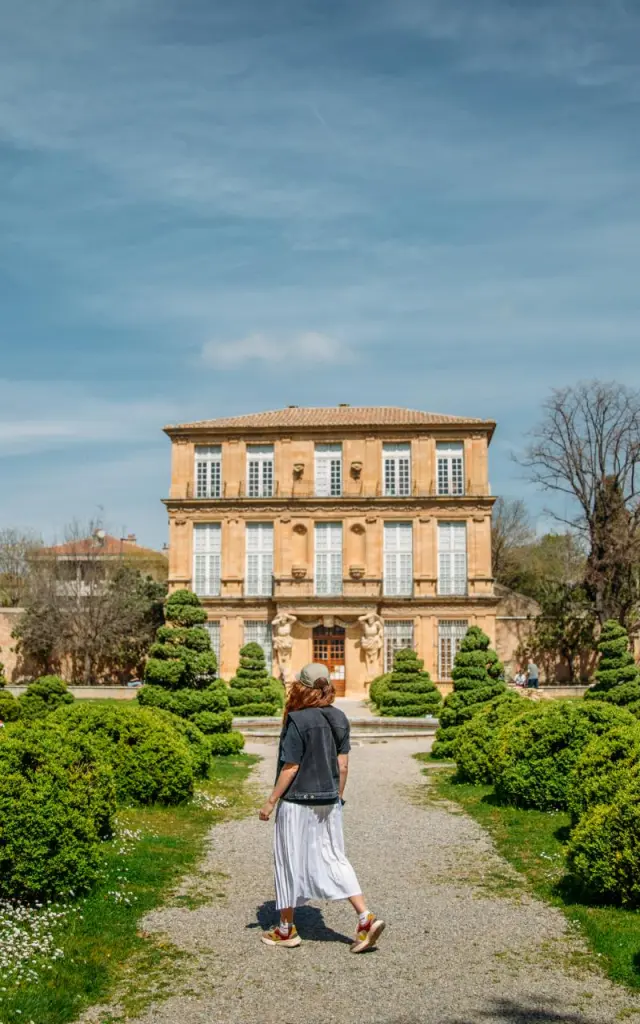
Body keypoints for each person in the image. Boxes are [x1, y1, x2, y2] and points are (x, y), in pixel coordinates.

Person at [258, 662, 385, 953]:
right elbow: (343, 765)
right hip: (329, 801)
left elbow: (291, 768)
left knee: (289, 860)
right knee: (335, 857)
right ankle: (365, 917)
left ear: (301, 688)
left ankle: (286, 929)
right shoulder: (340, 717)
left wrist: (270, 801)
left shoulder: (297, 719)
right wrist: (337, 797)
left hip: (296, 802)